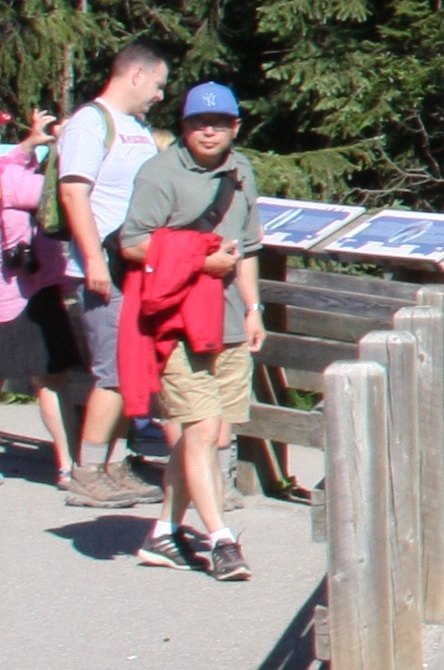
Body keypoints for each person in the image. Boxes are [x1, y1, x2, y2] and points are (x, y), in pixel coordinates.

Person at [116, 82, 262, 581]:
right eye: (200, 123)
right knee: (198, 430)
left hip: (228, 324)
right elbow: (132, 243)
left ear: (234, 127)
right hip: (177, 323)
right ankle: (222, 540)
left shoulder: (242, 172)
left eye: (220, 122)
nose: (209, 131)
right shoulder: (159, 175)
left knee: (216, 435)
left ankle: (162, 534)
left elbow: (247, 248)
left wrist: (253, 307)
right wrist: (200, 259)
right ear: (184, 127)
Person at [52, 43, 168, 508]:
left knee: (130, 369)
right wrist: (93, 261)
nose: (160, 95)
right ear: (136, 75)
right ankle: (86, 472)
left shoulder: (136, 128)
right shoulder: (89, 123)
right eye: (159, 84)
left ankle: (113, 464)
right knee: (113, 372)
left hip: (135, 267)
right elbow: (74, 195)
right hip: (103, 270)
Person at [2, 104, 67, 488]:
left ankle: (70, 463)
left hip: (30, 288)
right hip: (21, 295)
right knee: (48, 379)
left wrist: (31, 144)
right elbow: (52, 193)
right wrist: (67, 148)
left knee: (50, 379)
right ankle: (69, 464)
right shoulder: (11, 180)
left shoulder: (11, 168)